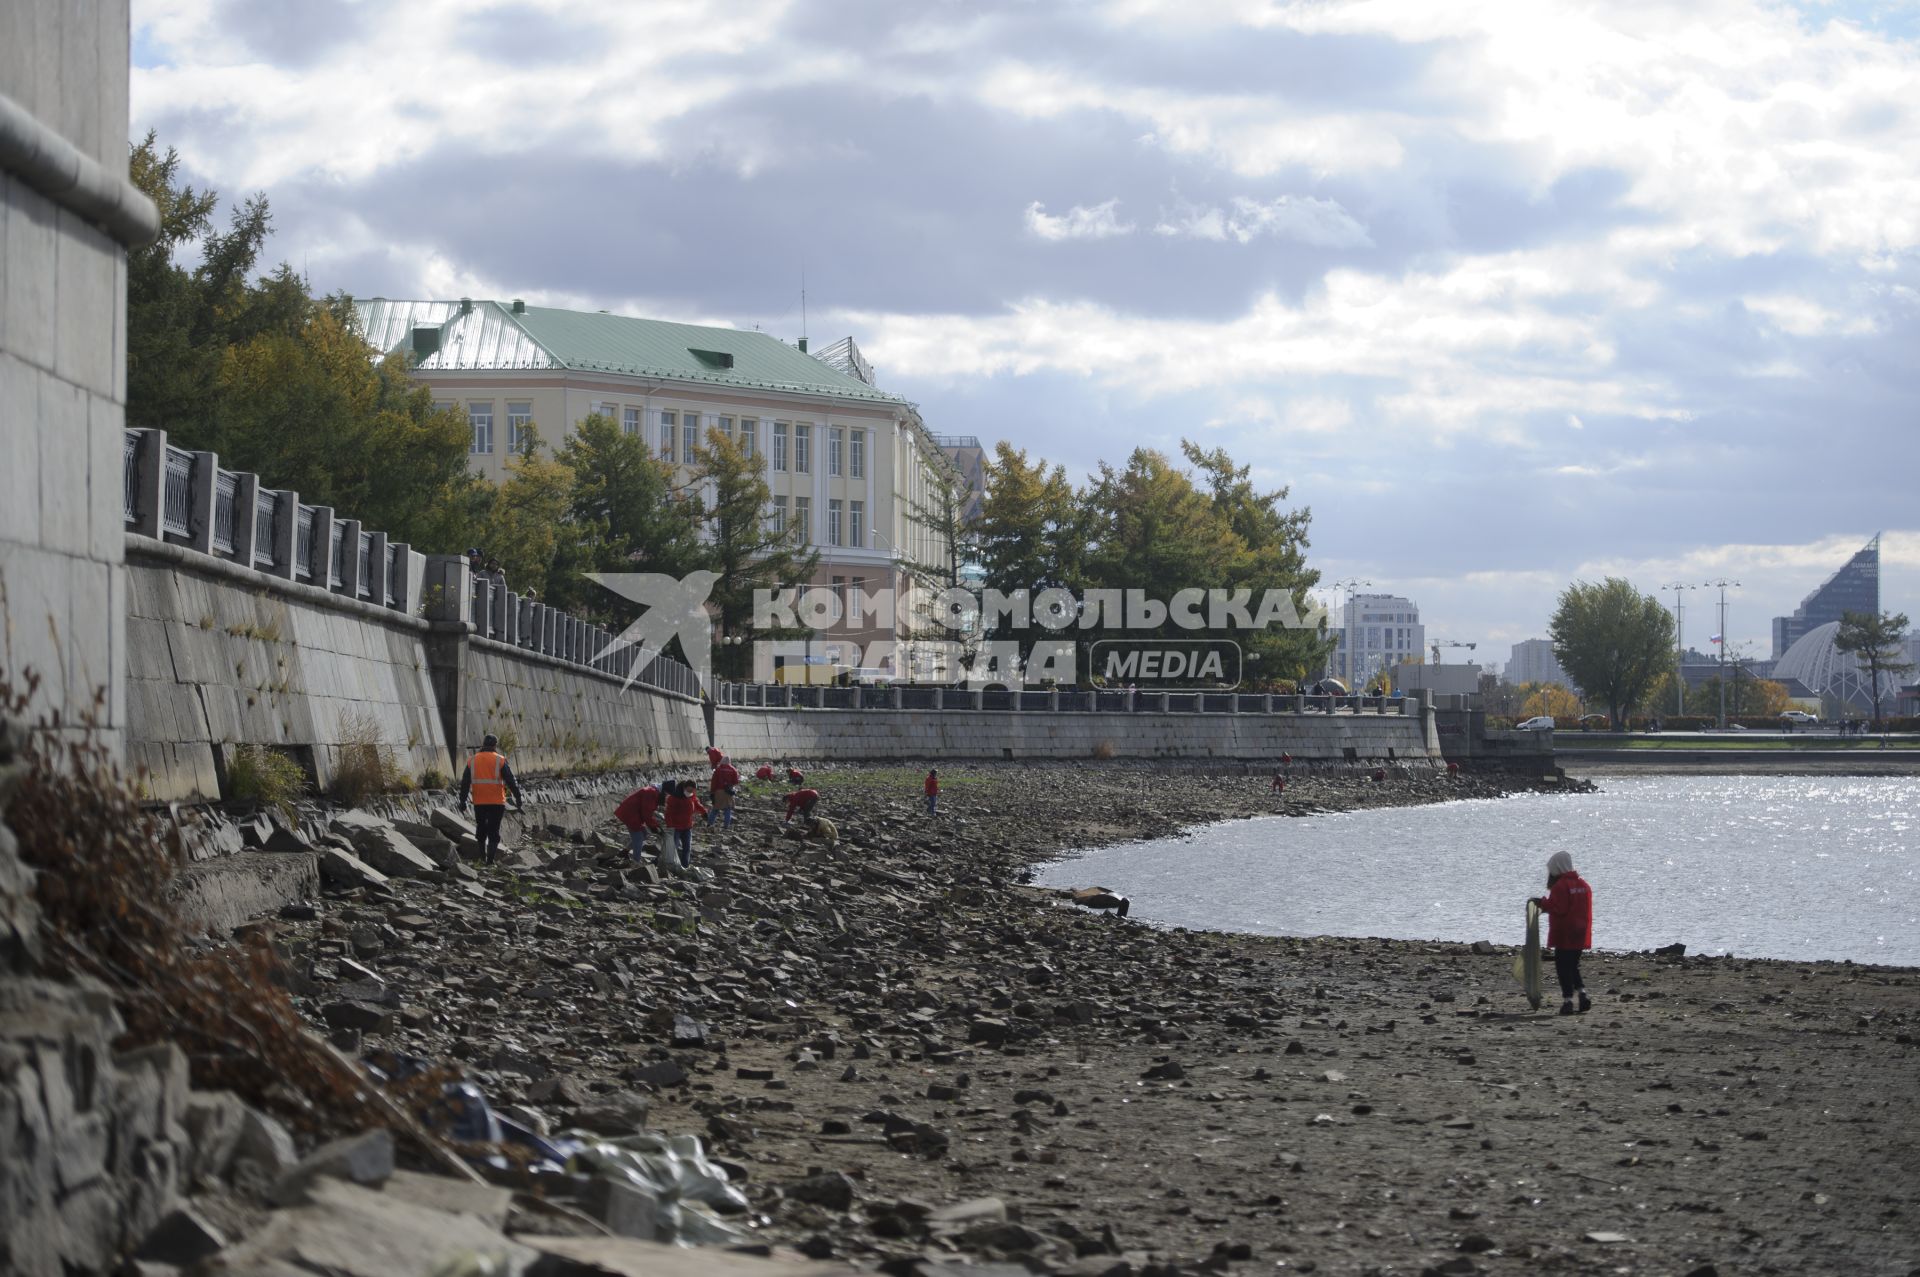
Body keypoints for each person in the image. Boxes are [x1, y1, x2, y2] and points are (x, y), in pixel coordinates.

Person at [1532, 851, 1593, 1016]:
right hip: (1580, 932)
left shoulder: (1561, 886)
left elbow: (1559, 908)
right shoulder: (1583, 885)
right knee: (1573, 965)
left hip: (1565, 933)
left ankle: (1567, 1001)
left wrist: (1541, 903)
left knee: (1563, 967)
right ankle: (1582, 994)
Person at [458, 733, 523, 865]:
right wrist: (518, 798)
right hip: (496, 802)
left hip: (479, 802)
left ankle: (482, 857)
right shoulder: (500, 760)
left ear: (483, 744)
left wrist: (463, 800)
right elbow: (511, 781)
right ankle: (490, 861)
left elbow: (465, 782)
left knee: (481, 829)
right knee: (494, 830)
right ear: (495, 745)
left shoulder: (472, 760)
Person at [663, 779, 708, 870]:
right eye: (689, 790)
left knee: (687, 848)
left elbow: (697, 804)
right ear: (684, 788)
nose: (690, 792)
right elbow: (668, 813)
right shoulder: (673, 798)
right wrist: (670, 826)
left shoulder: (692, 796)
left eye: (692, 791)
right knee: (673, 848)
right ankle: (670, 866)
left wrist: (704, 812)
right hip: (675, 827)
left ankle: (685, 866)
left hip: (687, 827)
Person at [613, 782, 664, 863]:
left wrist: (656, 825)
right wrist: (654, 827)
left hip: (633, 813)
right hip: (631, 814)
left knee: (644, 834)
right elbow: (646, 813)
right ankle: (636, 862)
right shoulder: (651, 793)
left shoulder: (653, 792)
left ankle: (625, 852)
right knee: (638, 838)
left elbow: (648, 813)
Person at [708, 754, 741, 828]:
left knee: (715, 808)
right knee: (728, 809)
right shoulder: (733, 769)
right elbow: (736, 781)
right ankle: (726, 826)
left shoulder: (718, 770)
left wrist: (712, 792)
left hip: (719, 791)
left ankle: (710, 823)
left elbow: (714, 782)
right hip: (728, 792)